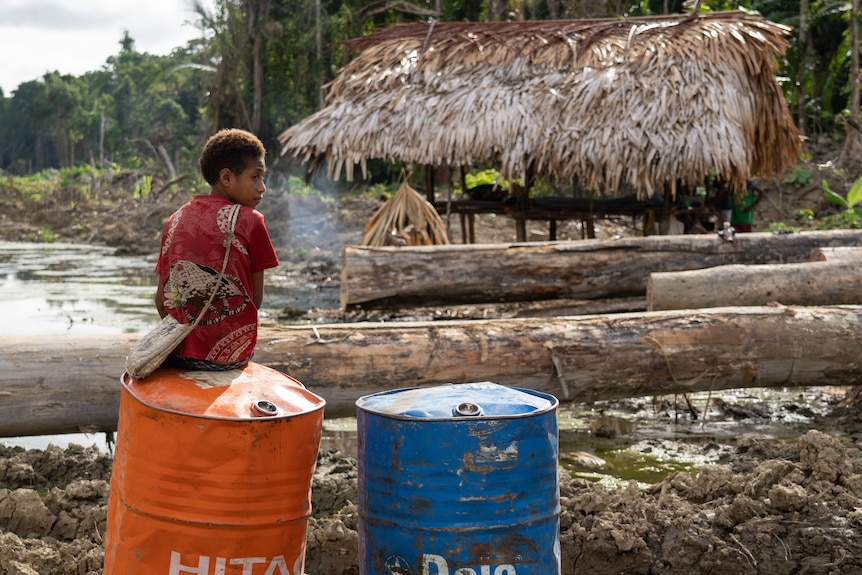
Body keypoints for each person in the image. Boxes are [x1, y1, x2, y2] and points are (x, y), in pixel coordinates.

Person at [154, 128, 279, 371]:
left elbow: (161, 301)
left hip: (178, 355)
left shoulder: (174, 219)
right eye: (256, 177)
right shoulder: (251, 221)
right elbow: (254, 300)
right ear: (227, 178)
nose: (262, 187)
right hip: (229, 359)